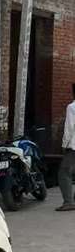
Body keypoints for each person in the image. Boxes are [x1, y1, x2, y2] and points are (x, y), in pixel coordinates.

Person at [57, 83, 75, 211]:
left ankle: (68, 202)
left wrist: (64, 144)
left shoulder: (72, 107)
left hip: (74, 146)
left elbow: (69, 127)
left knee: (64, 173)